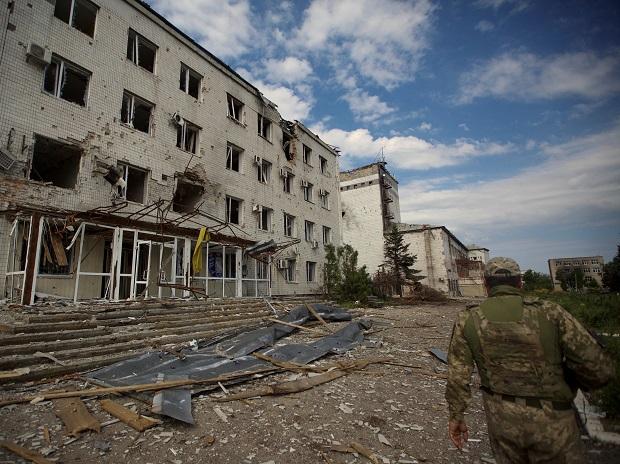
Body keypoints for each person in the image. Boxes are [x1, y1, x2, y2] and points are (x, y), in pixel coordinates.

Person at [445, 257, 614, 463]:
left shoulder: (468, 318)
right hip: (554, 420)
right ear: (520, 283)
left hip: (501, 421)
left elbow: (457, 376)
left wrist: (456, 415)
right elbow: (599, 369)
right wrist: (572, 382)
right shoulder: (551, 313)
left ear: (485, 283)